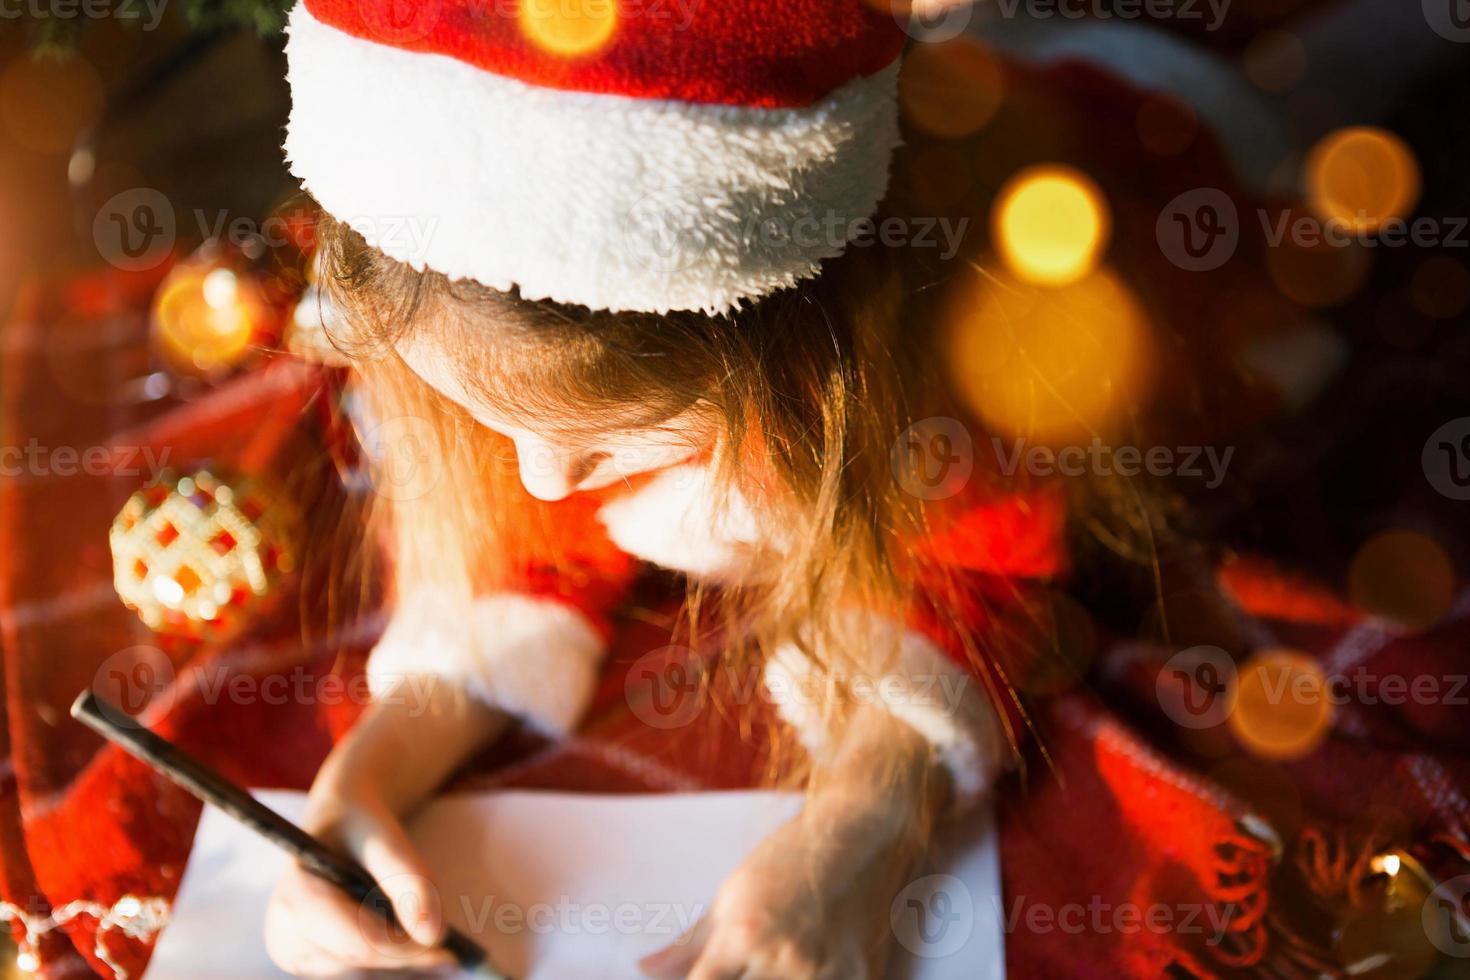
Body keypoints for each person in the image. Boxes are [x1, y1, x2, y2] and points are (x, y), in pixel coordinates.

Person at [264, 0, 1067, 975]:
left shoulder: (968, 384)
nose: (540, 477)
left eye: (614, 438)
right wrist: (363, 778)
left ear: (800, 362)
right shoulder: (447, 305)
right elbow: (526, 555)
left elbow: (980, 572)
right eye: (485, 418)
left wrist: (865, 819)